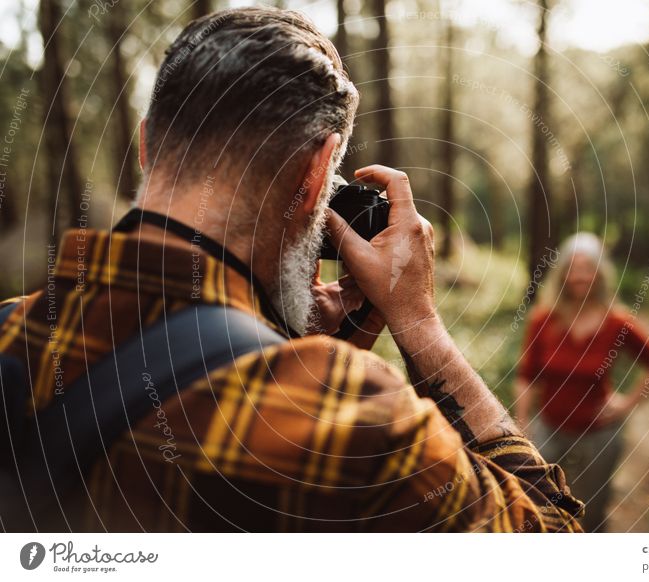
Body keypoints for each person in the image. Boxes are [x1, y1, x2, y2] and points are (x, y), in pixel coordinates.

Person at [0, 7, 582, 532]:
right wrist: (421, 325)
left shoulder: (11, 336)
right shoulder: (355, 425)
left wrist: (281, 345)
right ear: (317, 172)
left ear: (149, 145)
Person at [514, 233, 649, 532]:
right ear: (562, 274)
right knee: (536, 505)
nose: (580, 276)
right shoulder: (542, 319)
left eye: (587, 268)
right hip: (549, 428)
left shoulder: (618, 323)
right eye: (573, 268)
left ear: (600, 274)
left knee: (591, 513)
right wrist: (522, 422)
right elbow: (527, 375)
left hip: (599, 435)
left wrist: (627, 403)